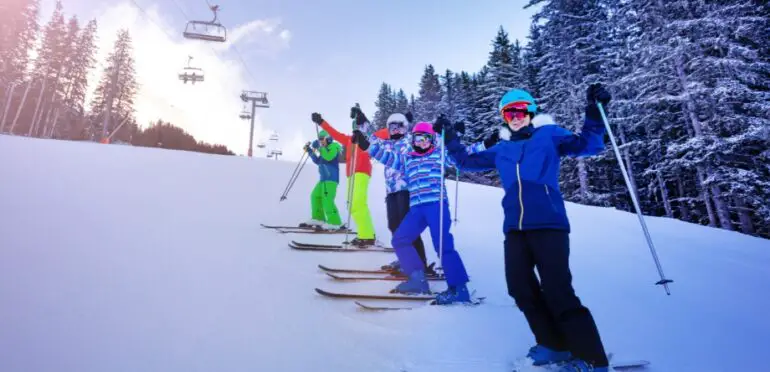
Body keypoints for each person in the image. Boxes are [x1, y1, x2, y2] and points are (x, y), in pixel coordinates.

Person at [443, 84, 612, 371]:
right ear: (503, 117)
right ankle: (554, 345)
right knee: (520, 288)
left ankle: (593, 359)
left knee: (558, 291)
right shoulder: (503, 148)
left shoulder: (549, 134)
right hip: (515, 229)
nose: (516, 116)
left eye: (521, 110)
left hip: (549, 224)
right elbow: (464, 162)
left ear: (531, 112)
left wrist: (595, 112)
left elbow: (589, 145)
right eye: (509, 112)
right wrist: (450, 138)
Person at [351, 120, 471, 305]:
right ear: (412, 140)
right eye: (417, 139)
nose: (421, 142)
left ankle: (459, 288)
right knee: (400, 239)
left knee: (442, 244)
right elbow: (386, 156)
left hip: (436, 205)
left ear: (432, 140)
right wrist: (366, 145)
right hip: (417, 209)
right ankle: (417, 280)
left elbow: (464, 155)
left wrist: (483, 142)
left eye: (426, 139)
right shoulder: (407, 159)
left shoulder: (439, 155)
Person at [310, 110, 376, 247]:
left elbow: (378, 134)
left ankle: (367, 236)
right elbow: (333, 133)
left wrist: (362, 118)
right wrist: (321, 122)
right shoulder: (348, 140)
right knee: (352, 205)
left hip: (361, 171)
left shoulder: (368, 138)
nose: (356, 130)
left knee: (358, 204)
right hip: (351, 174)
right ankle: (366, 233)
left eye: (358, 126)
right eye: (355, 127)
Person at [299, 130, 344, 230]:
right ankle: (318, 218)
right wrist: (310, 151)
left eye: (322, 139)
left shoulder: (333, 147)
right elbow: (318, 161)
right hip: (323, 179)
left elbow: (328, 157)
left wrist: (319, 148)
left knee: (327, 200)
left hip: (331, 179)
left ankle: (335, 222)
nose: (321, 142)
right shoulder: (324, 149)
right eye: (319, 140)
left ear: (328, 138)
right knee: (315, 196)